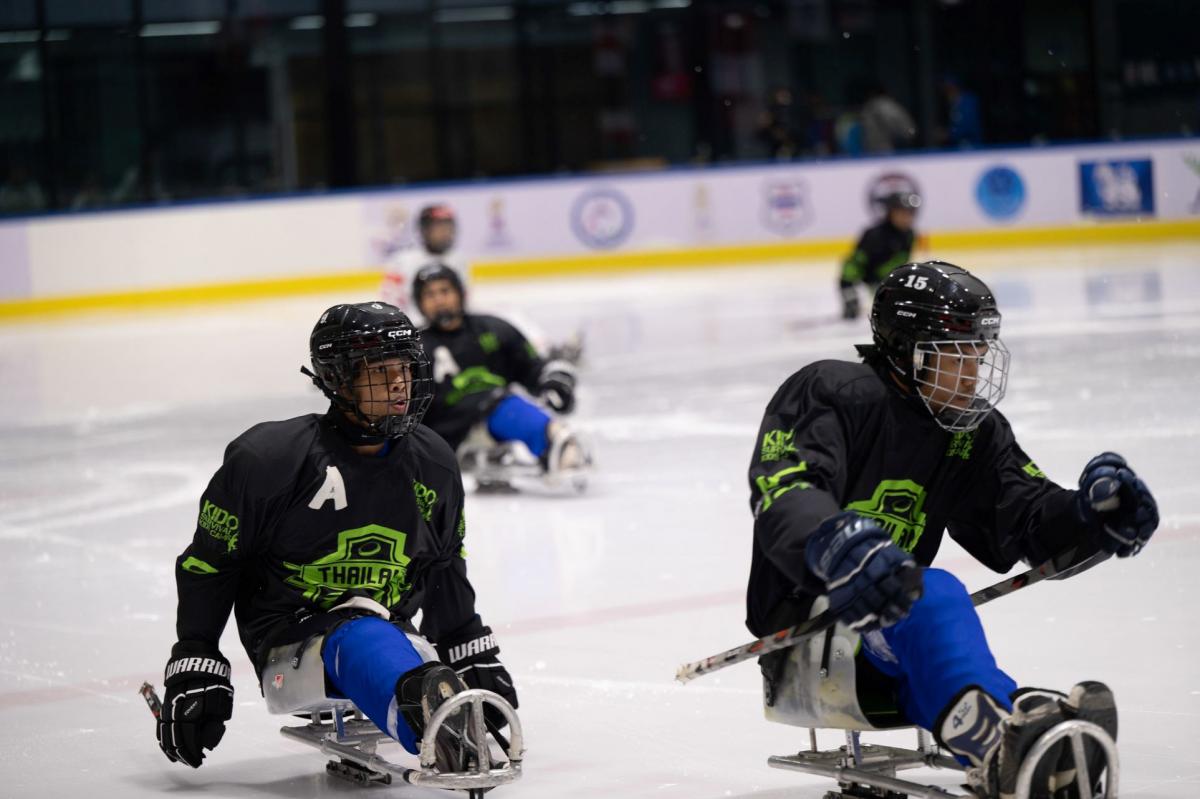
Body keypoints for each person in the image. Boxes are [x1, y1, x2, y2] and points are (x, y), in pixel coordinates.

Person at [747, 261, 1158, 798]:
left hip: (899, 636)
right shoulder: (835, 392)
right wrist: (836, 544)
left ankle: (1019, 735)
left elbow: (1028, 518)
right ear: (907, 351)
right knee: (934, 590)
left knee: (928, 614)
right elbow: (784, 488)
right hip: (816, 630)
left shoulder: (971, 431)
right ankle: (1000, 748)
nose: (976, 368)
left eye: (981, 351)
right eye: (958, 352)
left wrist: (1092, 517)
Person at [155, 302, 518, 771]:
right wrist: (196, 657)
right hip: (291, 643)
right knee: (363, 634)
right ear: (338, 380)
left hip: (392, 634)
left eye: (406, 367)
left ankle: (423, 694)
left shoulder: (433, 461)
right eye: (379, 371)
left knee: (384, 638)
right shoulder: (269, 460)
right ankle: (429, 720)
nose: (398, 384)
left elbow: (443, 564)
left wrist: (467, 644)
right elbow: (211, 564)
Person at [411, 263, 583, 480]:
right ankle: (555, 441)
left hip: (495, 416)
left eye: (445, 291)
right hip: (445, 437)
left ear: (460, 293)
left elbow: (532, 368)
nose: (439, 300)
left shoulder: (494, 329)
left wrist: (554, 381)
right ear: (420, 303)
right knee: (504, 406)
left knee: (503, 405)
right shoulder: (413, 346)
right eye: (430, 295)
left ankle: (554, 439)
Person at [839, 191, 920, 320]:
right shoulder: (874, 234)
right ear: (891, 212)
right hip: (866, 274)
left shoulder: (909, 235)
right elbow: (856, 261)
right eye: (902, 212)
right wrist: (848, 286)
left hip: (885, 278)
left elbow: (902, 262)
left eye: (910, 213)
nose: (907, 217)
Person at [382, 203, 467, 315]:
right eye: (439, 228)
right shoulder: (402, 262)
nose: (445, 233)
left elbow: (463, 302)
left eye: (448, 227)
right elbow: (389, 304)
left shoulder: (458, 260)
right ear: (424, 230)